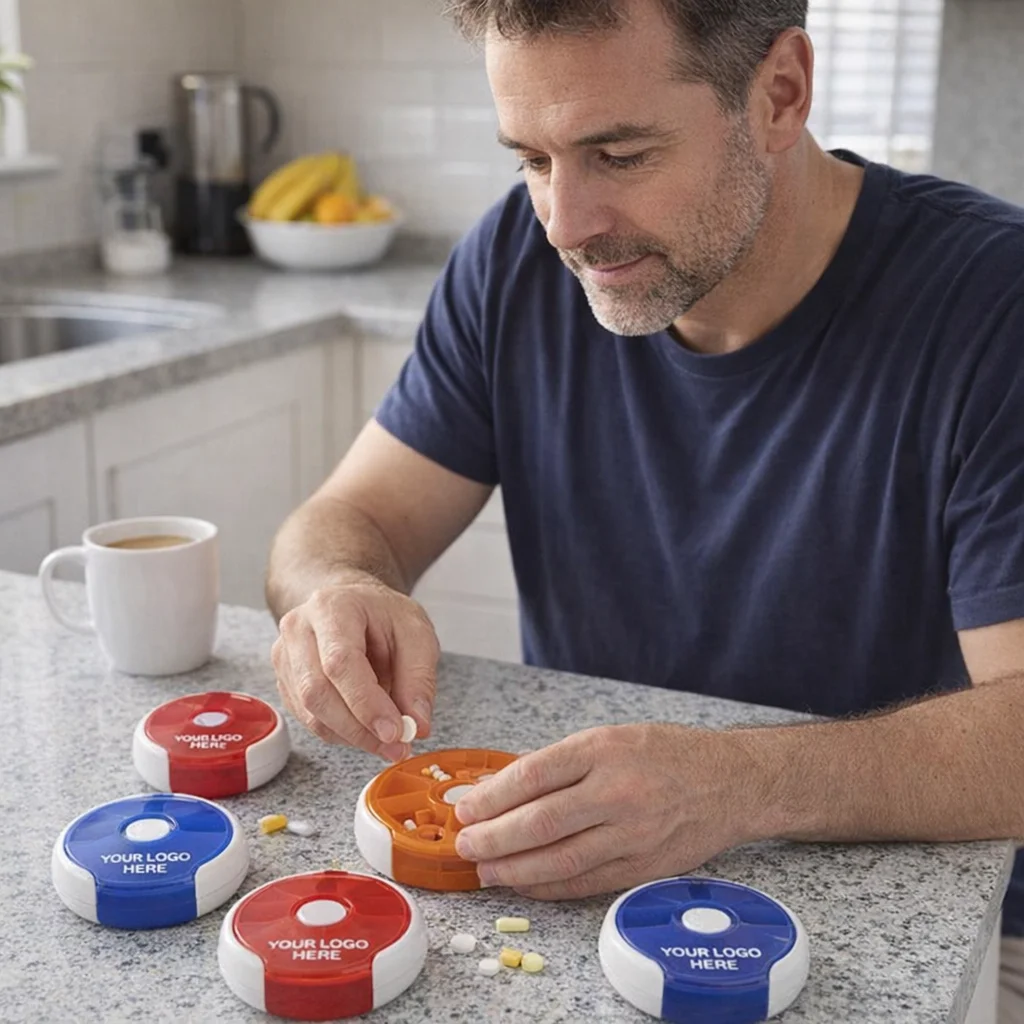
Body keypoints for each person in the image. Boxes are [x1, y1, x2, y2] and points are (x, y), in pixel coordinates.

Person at [265, 0, 1024, 1017]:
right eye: (530, 159)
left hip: (934, 917)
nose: (565, 224)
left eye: (617, 154)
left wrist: (743, 785)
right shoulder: (512, 263)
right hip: (575, 895)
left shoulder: (993, 308)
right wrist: (340, 587)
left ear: (778, 95)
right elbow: (344, 519)